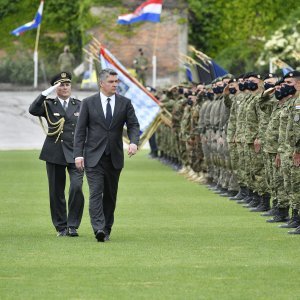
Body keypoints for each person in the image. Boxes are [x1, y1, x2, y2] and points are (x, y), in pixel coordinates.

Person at [74, 68, 140, 242]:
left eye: (116, 81)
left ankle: (107, 227)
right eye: (111, 82)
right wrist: (78, 155)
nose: (115, 84)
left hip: (114, 157)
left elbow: (133, 125)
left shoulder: (125, 103)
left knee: (110, 195)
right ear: (101, 83)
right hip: (93, 157)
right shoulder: (88, 103)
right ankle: (98, 228)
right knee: (96, 192)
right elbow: (80, 131)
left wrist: (133, 142)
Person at [29, 72, 85, 237]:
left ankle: (73, 225)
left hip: (76, 153)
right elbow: (32, 110)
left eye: (67, 84)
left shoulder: (80, 104)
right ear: (55, 88)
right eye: (61, 84)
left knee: (76, 188)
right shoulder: (48, 104)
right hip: (55, 153)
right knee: (56, 191)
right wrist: (45, 93)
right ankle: (61, 227)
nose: (65, 87)